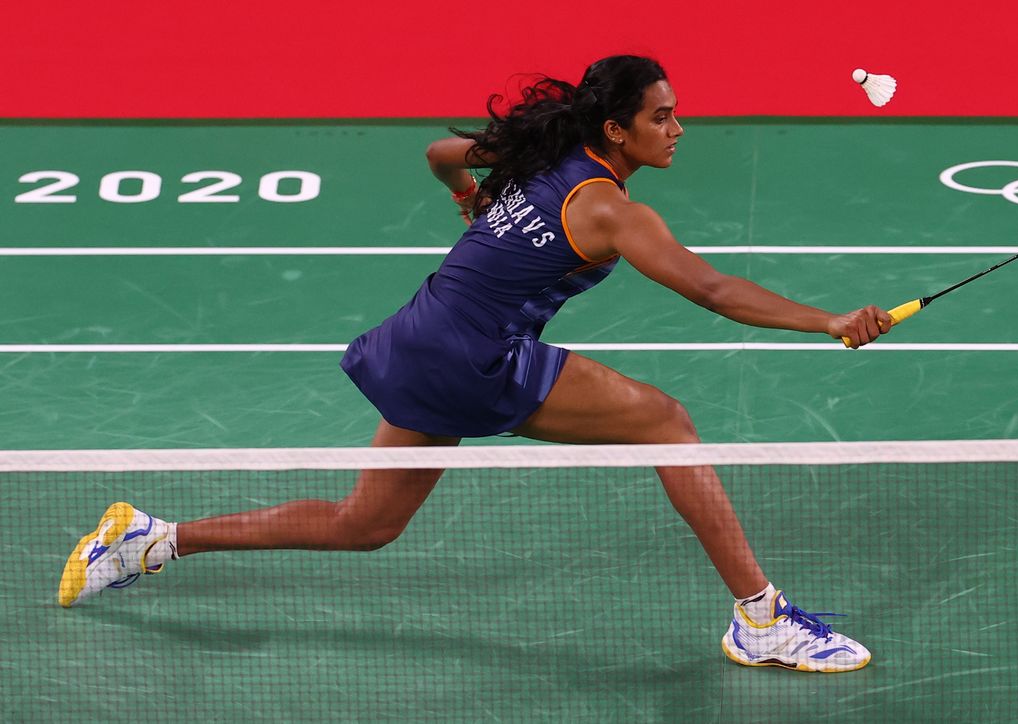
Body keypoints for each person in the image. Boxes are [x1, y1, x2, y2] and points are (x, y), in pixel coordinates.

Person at [58, 55, 891, 673]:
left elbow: (440, 153)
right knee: (667, 423)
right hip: (475, 361)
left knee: (366, 525)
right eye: (662, 116)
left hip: (423, 334)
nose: (678, 128)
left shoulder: (540, 161)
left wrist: (474, 200)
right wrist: (827, 322)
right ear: (617, 129)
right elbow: (710, 289)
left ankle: (149, 542)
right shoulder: (605, 205)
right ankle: (761, 617)